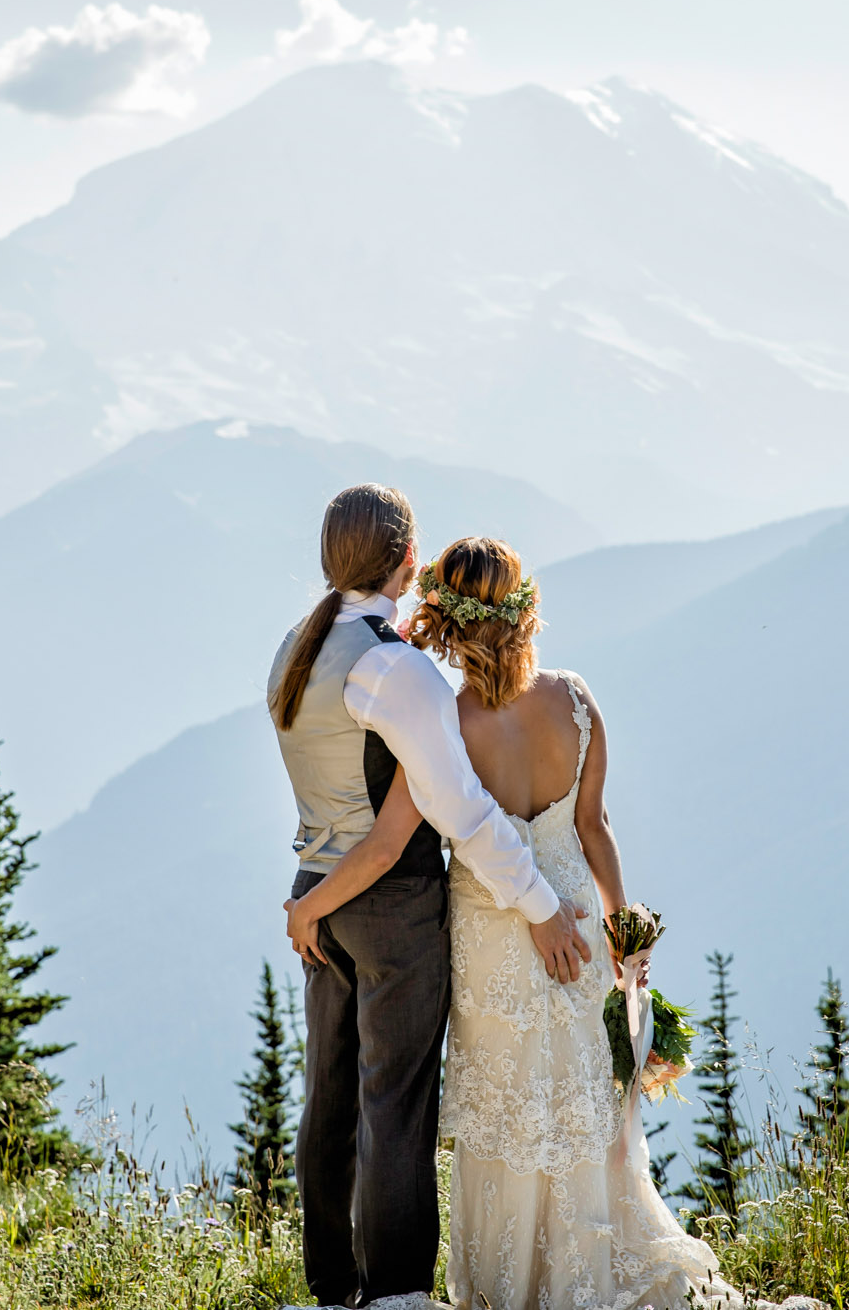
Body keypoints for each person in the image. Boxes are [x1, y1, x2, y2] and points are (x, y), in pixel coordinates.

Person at [285, 535, 726, 1310]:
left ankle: (508, 1287)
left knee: (507, 1114)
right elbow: (596, 828)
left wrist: (311, 902)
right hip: (577, 926)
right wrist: (624, 937)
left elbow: (389, 841)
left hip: (489, 940)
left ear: (449, 622)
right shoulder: (577, 699)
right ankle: (587, 1273)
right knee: (575, 1102)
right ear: (526, 612)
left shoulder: (443, 721)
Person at [266, 486, 593, 1309]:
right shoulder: (393, 669)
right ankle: (401, 1289)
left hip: (317, 890)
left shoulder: (296, 650)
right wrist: (538, 901)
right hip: (391, 906)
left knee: (330, 1093)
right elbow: (459, 807)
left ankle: (331, 1281)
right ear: (408, 562)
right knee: (396, 1100)